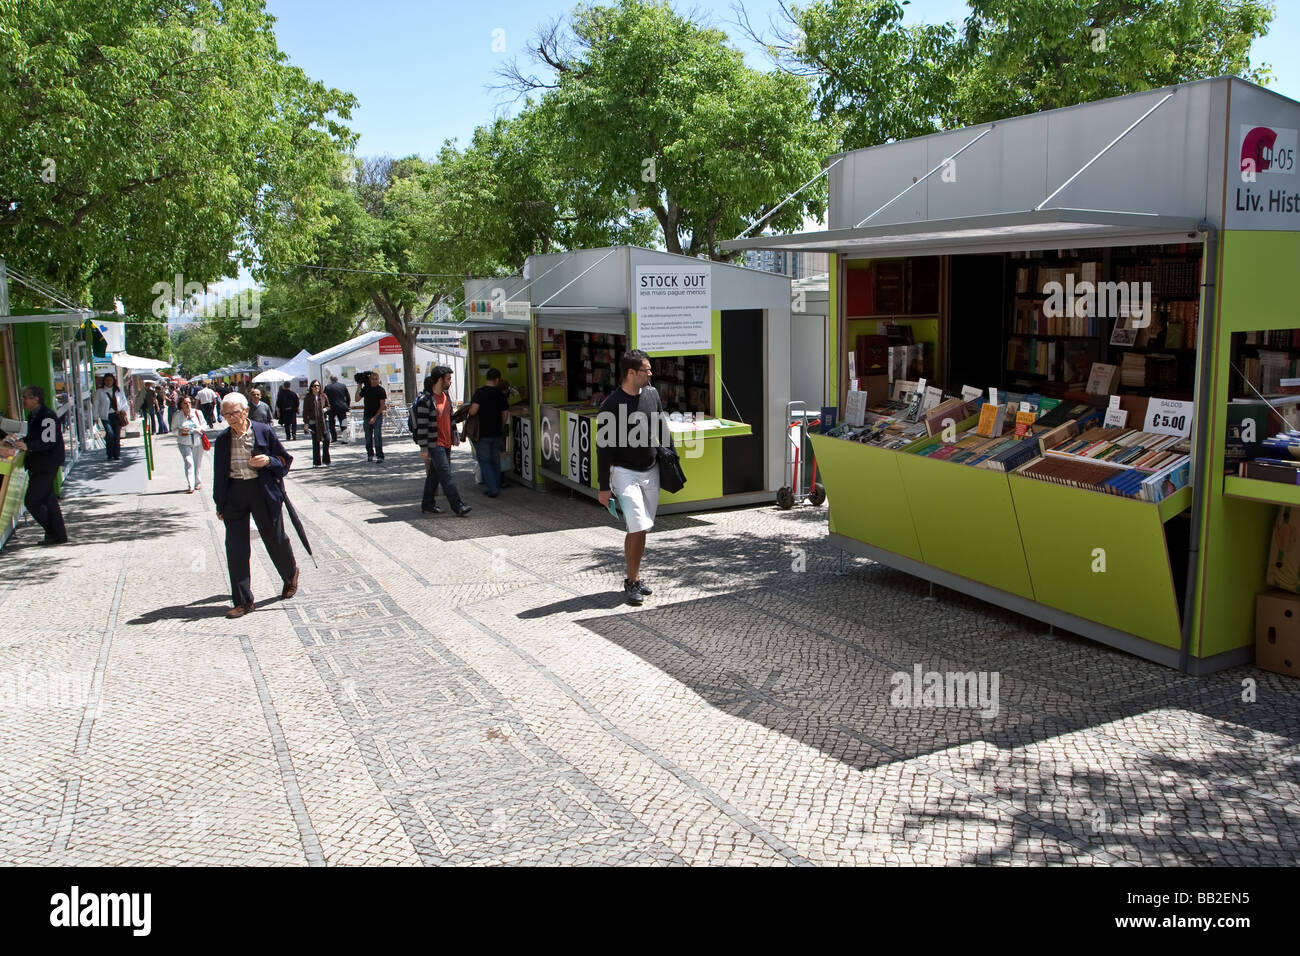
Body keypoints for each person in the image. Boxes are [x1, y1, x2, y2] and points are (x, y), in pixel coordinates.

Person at [212, 392, 298, 618]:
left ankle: (290, 574)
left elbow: (284, 461)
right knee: (236, 548)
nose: (231, 418)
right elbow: (219, 473)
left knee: (275, 538)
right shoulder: (222, 440)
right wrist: (220, 503)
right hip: (235, 493)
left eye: (235, 413)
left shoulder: (263, 431)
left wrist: (268, 461)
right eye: (226, 414)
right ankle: (243, 600)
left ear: (246, 411)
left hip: (262, 491)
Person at [596, 350, 667, 606]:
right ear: (631, 373)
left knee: (644, 525)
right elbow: (602, 449)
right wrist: (604, 488)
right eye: (646, 370)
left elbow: (661, 427)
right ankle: (632, 581)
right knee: (636, 524)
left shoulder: (652, 394)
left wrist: (671, 459)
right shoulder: (611, 404)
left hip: (651, 470)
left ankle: (635, 577)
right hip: (624, 472)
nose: (650, 373)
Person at [9, 385, 68, 545]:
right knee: (48, 500)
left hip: (46, 463)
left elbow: (48, 441)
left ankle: (52, 532)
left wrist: (29, 446)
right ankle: (58, 535)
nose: (23, 400)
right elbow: (35, 436)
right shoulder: (34, 415)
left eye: (26, 397)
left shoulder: (46, 416)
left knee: (32, 501)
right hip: (39, 463)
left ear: (36, 399)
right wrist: (23, 441)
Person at [416, 369, 470, 516]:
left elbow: (450, 418)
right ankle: (458, 506)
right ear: (440, 380)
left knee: (435, 475)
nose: (450, 381)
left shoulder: (446, 397)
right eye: (448, 378)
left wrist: (454, 434)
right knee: (446, 475)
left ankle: (427, 503)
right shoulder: (425, 401)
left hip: (446, 443)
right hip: (435, 444)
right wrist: (424, 448)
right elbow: (422, 427)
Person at [462, 368, 510, 497]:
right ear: (497, 380)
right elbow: (505, 414)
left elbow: (473, 411)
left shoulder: (480, 393)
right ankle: (496, 485)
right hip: (496, 432)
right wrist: (500, 426)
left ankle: (493, 488)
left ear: (487, 378)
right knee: (495, 460)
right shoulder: (501, 395)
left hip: (481, 433)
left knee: (484, 461)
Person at [172, 394, 207, 493]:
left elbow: (205, 425)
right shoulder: (177, 416)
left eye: (189, 402)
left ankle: (198, 482)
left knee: (197, 463)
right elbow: (173, 430)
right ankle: (191, 485)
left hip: (197, 441)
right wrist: (180, 432)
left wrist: (198, 429)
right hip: (184, 442)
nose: (188, 405)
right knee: (189, 462)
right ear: (181, 405)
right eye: (185, 403)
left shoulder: (197, 413)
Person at [92, 372, 129, 461]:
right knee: (110, 433)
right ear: (104, 381)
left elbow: (124, 402)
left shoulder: (118, 390)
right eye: (107, 380)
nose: (109, 382)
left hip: (117, 416)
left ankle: (116, 454)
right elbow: (96, 405)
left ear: (113, 381)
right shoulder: (100, 392)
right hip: (106, 416)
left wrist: (123, 410)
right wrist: (95, 417)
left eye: (110, 380)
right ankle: (109, 453)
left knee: (116, 435)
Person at [355, 371, 386, 463]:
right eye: (373, 379)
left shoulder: (381, 390)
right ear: (370, 379)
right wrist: (359, 388)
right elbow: (357, 399)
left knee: (377, 436)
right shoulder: (366, 388)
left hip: (377, 416)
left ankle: (380, 456)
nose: (374, 381)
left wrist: (375, 417)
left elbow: (382, 406)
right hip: (367, 416)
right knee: (368, 438)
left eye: (376, 379)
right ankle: (370, 454)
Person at [301, 380, 331, 467]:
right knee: (315, 442)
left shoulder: (323, 396)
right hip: (313, 422)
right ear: (311, 387)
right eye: (314, 386)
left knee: (327, 440)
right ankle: (317, 462)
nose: (316, 387)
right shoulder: (308, 397)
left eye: (318, 385)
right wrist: (306, 423)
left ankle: (326, 460)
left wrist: (325, 409)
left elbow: (329, 406)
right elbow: (305, 411)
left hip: (324, 421)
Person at [323, 375, 350, 443]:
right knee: (343, 423)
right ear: (337, 379)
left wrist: (326, 407)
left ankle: (334, 438)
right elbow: (348, 397)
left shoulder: (327, 387)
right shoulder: (343, 386)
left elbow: (324, 398)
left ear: (331, 380)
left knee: (331, 423)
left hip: (332, 408)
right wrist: (347, 405)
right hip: (342, 407)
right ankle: (345, 439)